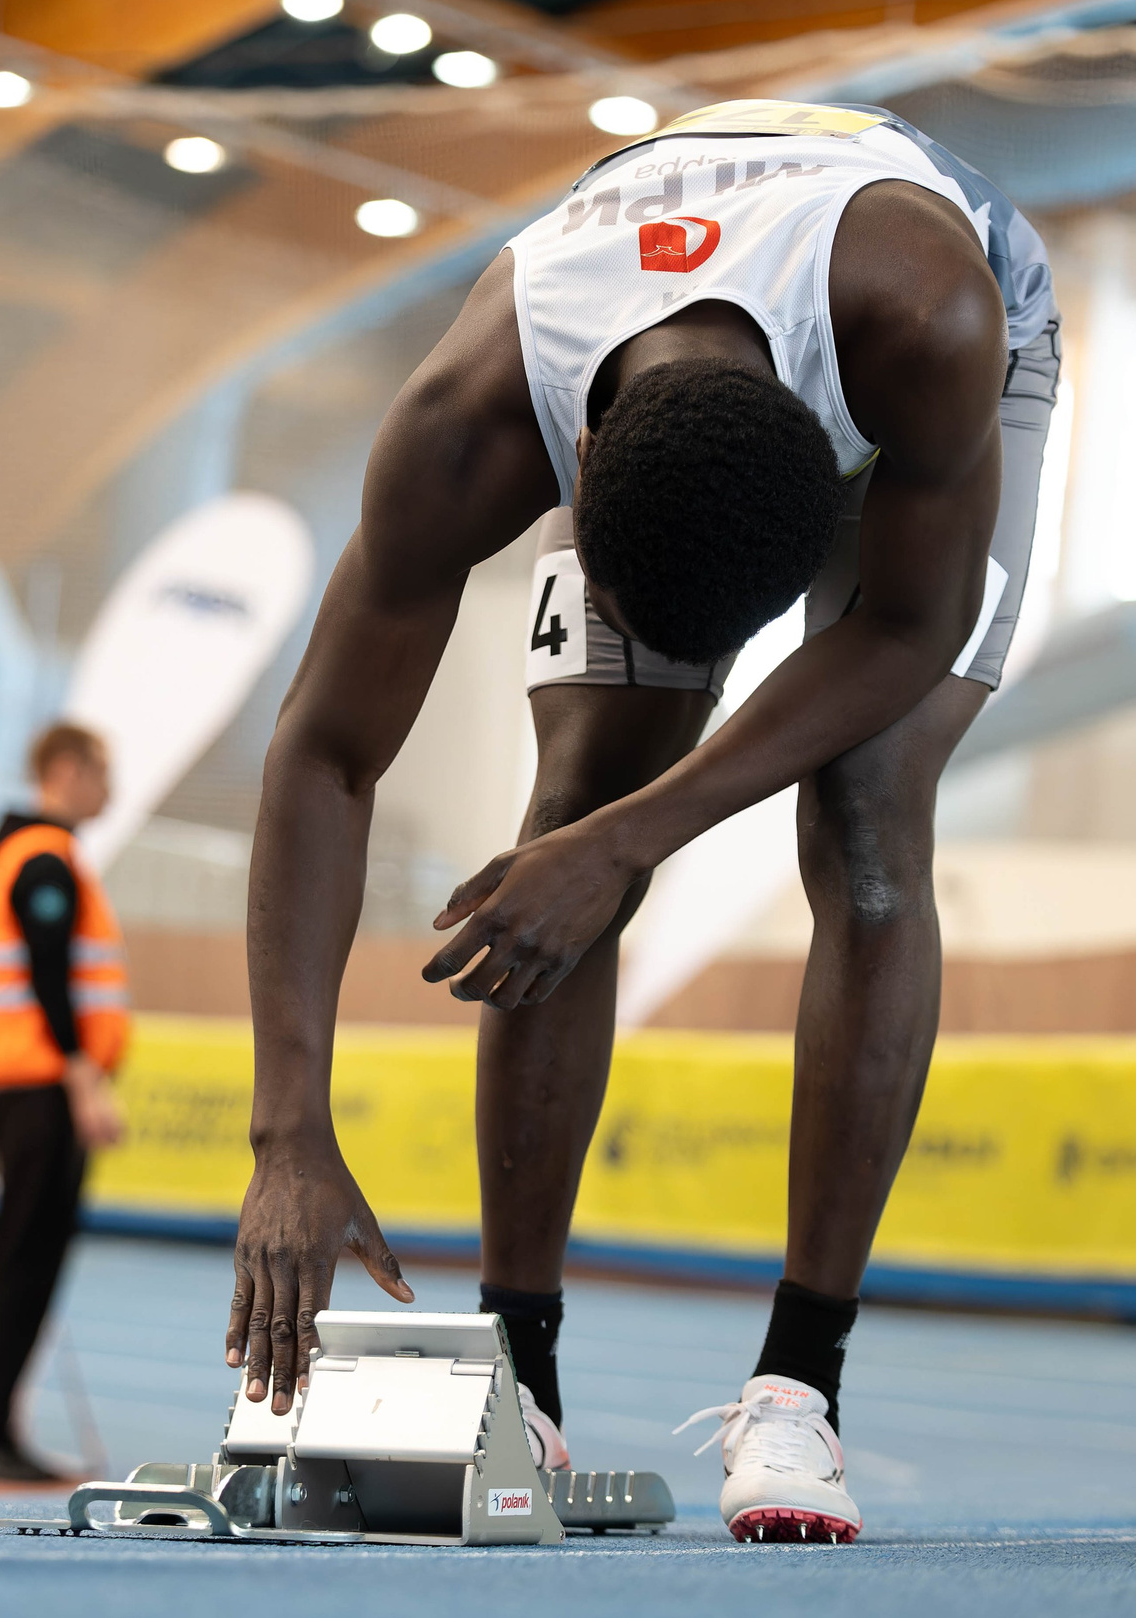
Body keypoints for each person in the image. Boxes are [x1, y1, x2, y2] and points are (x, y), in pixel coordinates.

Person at [224, 99, 1058, 1544]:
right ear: (577, 471)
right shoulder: (471, 415)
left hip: (921, 326)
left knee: (865, 817)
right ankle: (521, 1369)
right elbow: (322, 752)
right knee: (576, 790)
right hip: (670, 306)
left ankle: (802, 1377)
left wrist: (636, 845)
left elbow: (909, 623)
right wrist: (287, 1126)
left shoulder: (935, 319)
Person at [0, 721, 131, 1483]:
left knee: (27, 1253)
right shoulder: (44, 862)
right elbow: (52, 978)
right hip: (40, 1084)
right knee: (22, 1254)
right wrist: (83, 1080)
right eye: (100, 773)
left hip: (33, 1079)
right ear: (65, 771)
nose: (109, 790)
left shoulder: (42, 857)